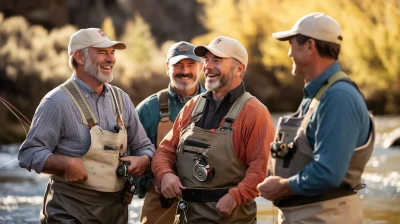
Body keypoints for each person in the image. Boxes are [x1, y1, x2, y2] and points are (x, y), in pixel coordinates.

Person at [17, 28, 155, 224]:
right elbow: (28, 154)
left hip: (116, 212)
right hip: (68, 212)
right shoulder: (56, 102)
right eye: (102, 52)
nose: (111, 59)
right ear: (79, 57)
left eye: (112, 52)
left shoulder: (122, 99)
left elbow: (145, 147)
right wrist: (65, 164)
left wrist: (144, 159)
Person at [257, 12, 375, 223]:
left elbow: (328, 172)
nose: (289, 53)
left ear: (310, 46)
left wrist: (282, 187)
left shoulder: (338, 98)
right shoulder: (317, 96)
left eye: (292, 45)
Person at [152, 36, 275, 223]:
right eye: (206, 60)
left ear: (239, 69)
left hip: (232, 217)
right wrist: (165, 174)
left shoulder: (256, 113)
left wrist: (236, 196)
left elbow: (261, 168)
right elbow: (165, 150)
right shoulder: (192, 106)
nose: (207, 67)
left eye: (217, 60)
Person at [135, 41, 206, 224]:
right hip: (160, 203)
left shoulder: (219, 104)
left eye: (191, 65)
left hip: (207, 203)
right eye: (178, 65)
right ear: (168, 68)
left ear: (201, 67)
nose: (185, 71)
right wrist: (153, 182)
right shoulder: (148, 109)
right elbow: (131, 158)